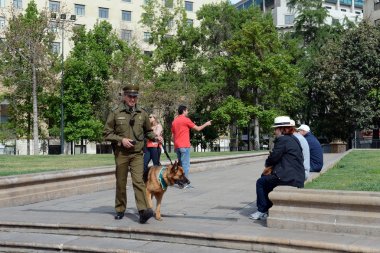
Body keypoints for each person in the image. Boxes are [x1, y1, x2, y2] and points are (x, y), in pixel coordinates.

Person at [103, 83, 163, 224]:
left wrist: (155, 137)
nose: (132, 99)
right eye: (130, 96)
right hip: (121, 153)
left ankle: (143, 211)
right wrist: (121, 140)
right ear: (124, 96)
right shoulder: (116, 112)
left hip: (137, 153)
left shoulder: (142, 113)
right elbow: (106, 133)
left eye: (135, 96)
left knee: (139, 182)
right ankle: (120, 209)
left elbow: (148, 131)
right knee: (121, 182)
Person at [249, 116, 305, 220]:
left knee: (260, 182)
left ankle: (261, 210)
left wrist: (267, 164)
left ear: (281, 129)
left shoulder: (282, 140)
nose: (275, 131)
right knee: (266, 179)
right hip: (298, 176)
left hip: (288, 177)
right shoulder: (294, 139)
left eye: (275, 129)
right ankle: (268, 208)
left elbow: (273, 158)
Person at [171, 105, 212, 180]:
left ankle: (179, 181)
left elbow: (172, 136)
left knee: (180, 165)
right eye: (187, 110)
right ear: (184, 111)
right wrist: (206, 124)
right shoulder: (186, 120)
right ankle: (185, 182)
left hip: (177, 146)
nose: (188, 112)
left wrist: (175, 146)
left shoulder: (174, 121)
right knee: (185, 165)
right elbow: (198, 128)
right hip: (184, 146)